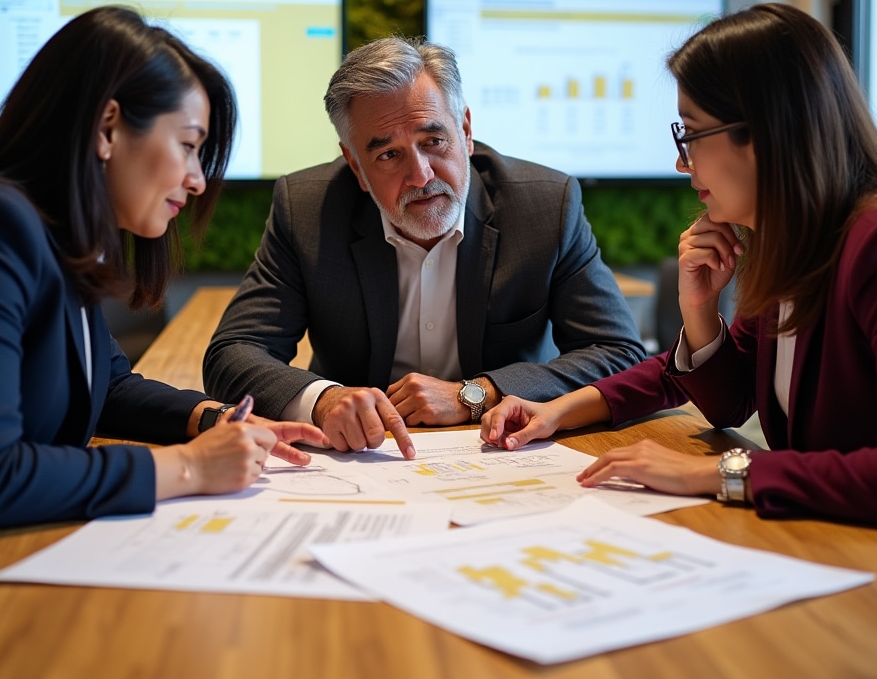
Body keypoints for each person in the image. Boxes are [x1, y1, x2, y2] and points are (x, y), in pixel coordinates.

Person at [0, 6, 329, 609]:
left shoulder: (50, 234)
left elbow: (104, 384)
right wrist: (189, 469)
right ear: (107, 128)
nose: (195, 180)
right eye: (189, 146)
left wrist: (213, 420)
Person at [480, 3, 877, 530]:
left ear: (765, 133)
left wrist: (717, 473)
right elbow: (729, 401)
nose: (682, 162)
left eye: (691, 134)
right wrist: (563, 407)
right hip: (824, 539)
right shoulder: (794, 241)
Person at [203, 36, 646, 459]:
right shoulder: (306, 208)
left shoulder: (546, 205)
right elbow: (233, 353)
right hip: (364, 457)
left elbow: (618, 353)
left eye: (434, 142)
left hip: (503, 452)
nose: (421, 176)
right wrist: (324, 400)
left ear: (466, 132)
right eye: (387, 155)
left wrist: (475, 394)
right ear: (355, 164)